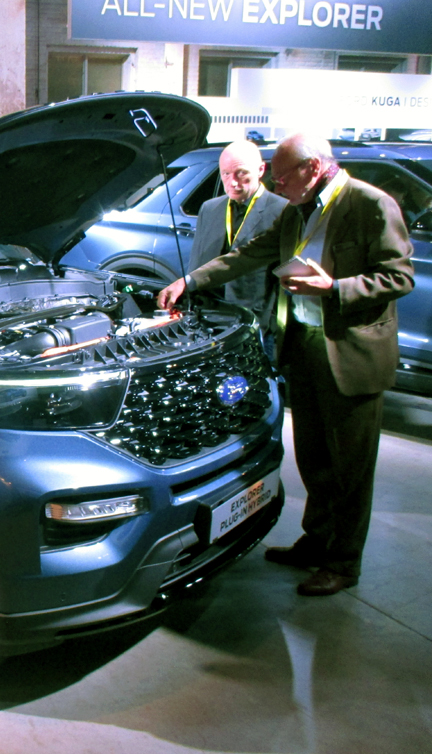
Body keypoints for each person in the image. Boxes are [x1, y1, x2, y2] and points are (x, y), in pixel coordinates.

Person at [157, 133, 415, 596]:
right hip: (307, 347)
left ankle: (343, 563)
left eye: (280, 176)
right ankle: (316, 542)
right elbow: (248, 254)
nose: (275, 185)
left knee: (351, 469)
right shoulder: (297, 210)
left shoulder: (370, 204)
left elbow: (398, 276)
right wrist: (189, 281)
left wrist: (334, 288)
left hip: (351, 354)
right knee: (314, 458)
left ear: (312, 168)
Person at [189, 140, 288, 348]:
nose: (233, 182)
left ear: (261, 170)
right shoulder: (209, 208)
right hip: (210, 322)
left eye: (241, 173)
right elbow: (197, 262)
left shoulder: (283, 210)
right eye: (225, 174)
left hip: (256, 324)